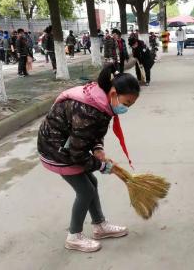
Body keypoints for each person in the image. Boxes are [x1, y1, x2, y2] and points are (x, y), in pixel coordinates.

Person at [37, 63, 140, 253]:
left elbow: (93, 132)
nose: (126, 109)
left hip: (69, 145)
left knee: (91, 183)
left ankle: (99, 225)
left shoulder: (101, 101)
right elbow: (77, 153)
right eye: (126, 104)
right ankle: (74, 236)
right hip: (57, 149)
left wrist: (98, 148)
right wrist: (102, 166)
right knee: (85, 191)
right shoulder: (89, 109)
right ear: (113, 93)